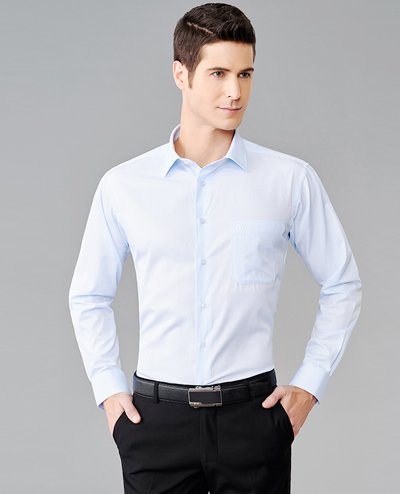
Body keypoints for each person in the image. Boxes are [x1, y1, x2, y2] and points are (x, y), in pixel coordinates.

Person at [69, 3, 362, 493]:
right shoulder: (124, 186)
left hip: (254, 420)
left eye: (245, 74)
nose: (235, 91)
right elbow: (88, 295)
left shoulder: (289, 180)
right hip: (154, 424)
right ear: (180, 75)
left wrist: (310, 385)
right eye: (219, 73)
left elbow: (343, 284)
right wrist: (108, 390)